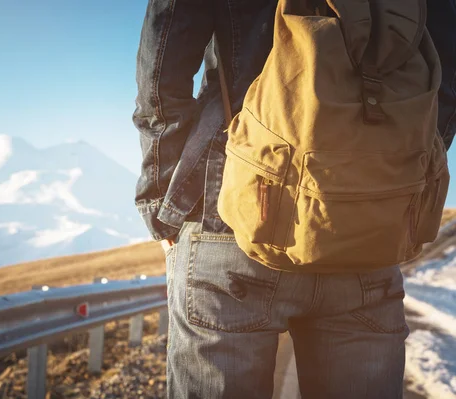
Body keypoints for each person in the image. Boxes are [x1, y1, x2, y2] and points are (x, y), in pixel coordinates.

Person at [132, 1, 456, 398]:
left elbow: (164, 59)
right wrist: (398, 180)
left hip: (231, 209)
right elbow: (447, 68)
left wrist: (162, 197)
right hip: (370, 224)